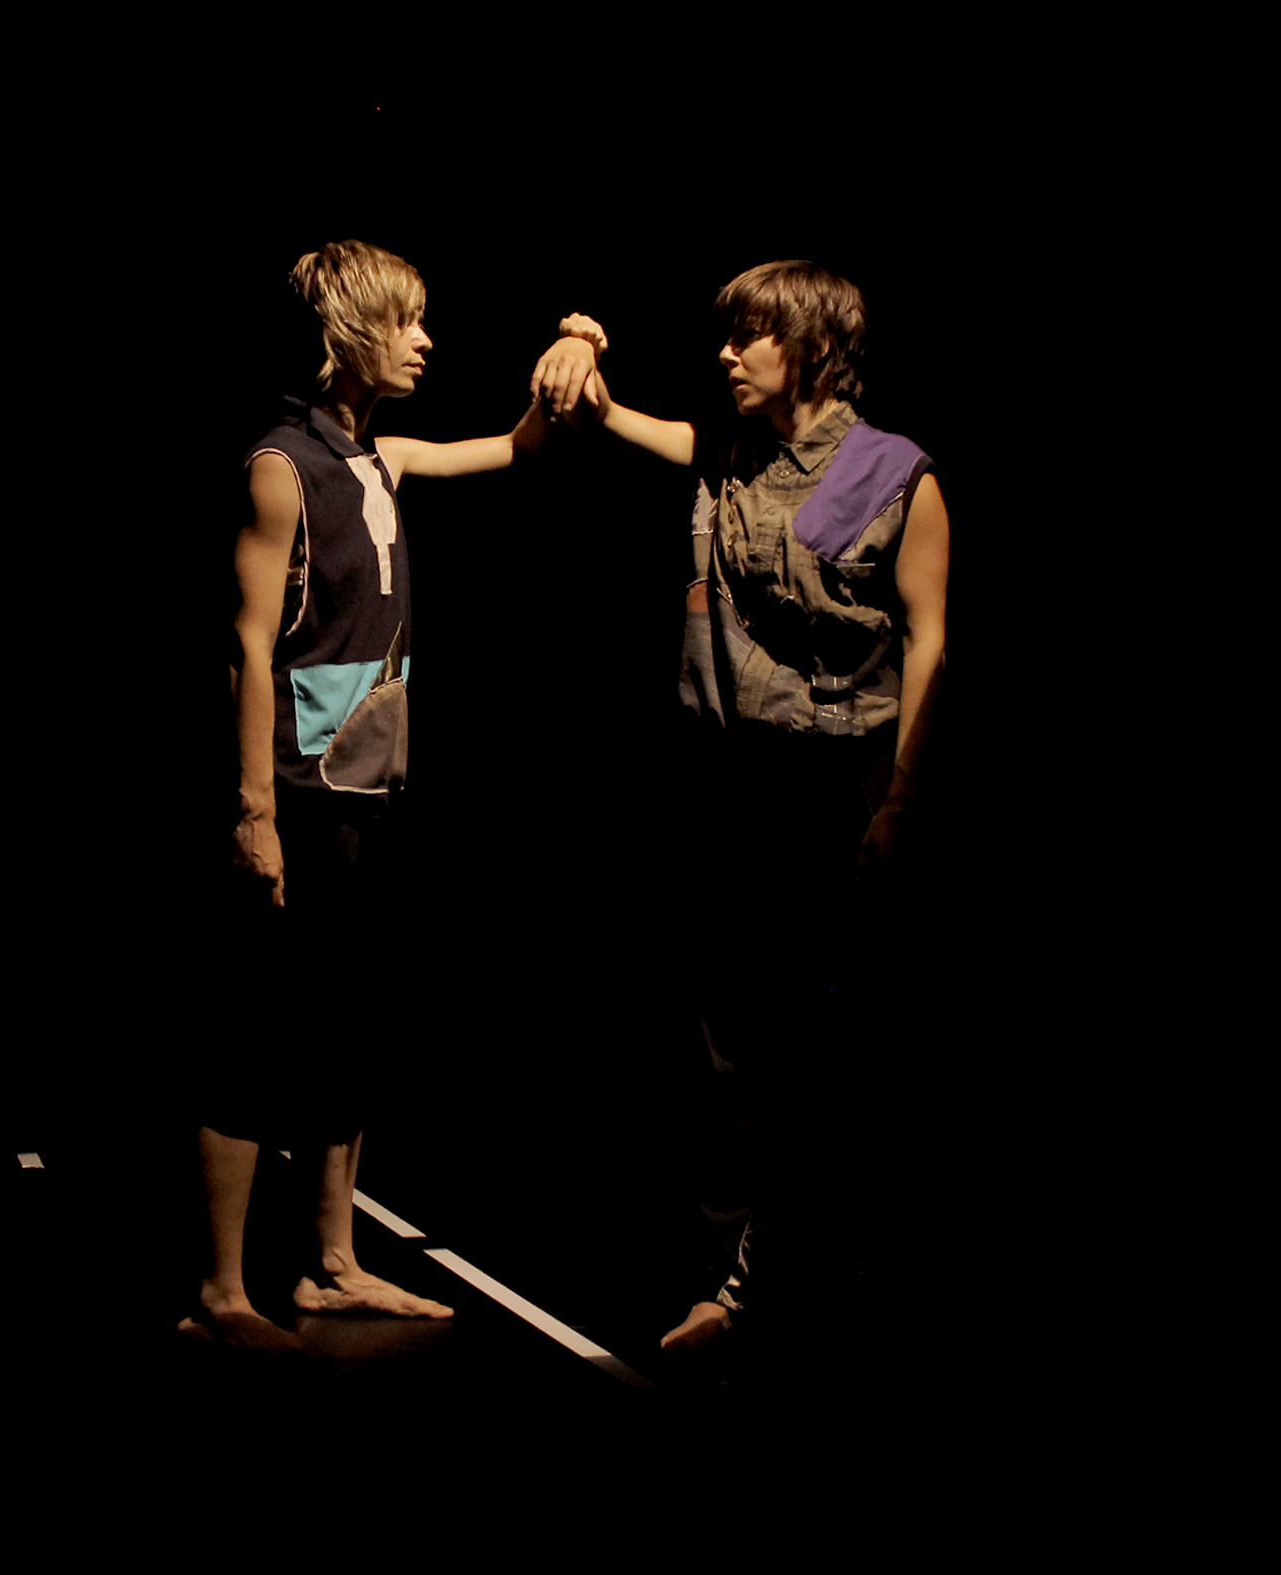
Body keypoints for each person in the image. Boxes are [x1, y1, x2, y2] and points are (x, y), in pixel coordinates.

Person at [529, 262, 950, 1366]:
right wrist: (581, 341)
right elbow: (606, 416)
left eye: (749, 335)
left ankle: (811, 1278)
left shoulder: (889, 473)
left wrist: (901, 801)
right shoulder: (729, 454)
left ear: (808, 348)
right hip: (733, 786)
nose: (725, 353)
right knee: (728, 1051)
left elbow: (929, 641)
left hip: (836, 787)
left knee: (827, 1051)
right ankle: (729, 1282)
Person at [181, 240, 554, 1351]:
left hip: (369, 788)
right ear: (350, 336)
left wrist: (575, 347)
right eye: (405, 323)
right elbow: (248, 647)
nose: (425, 341)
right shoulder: (280, 465)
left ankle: (332, 1265)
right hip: (297, 795)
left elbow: (518, 446)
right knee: (260, 1035)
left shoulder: (379, 457)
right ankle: (221, 1292)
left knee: (349, 1031)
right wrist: (253, 814)